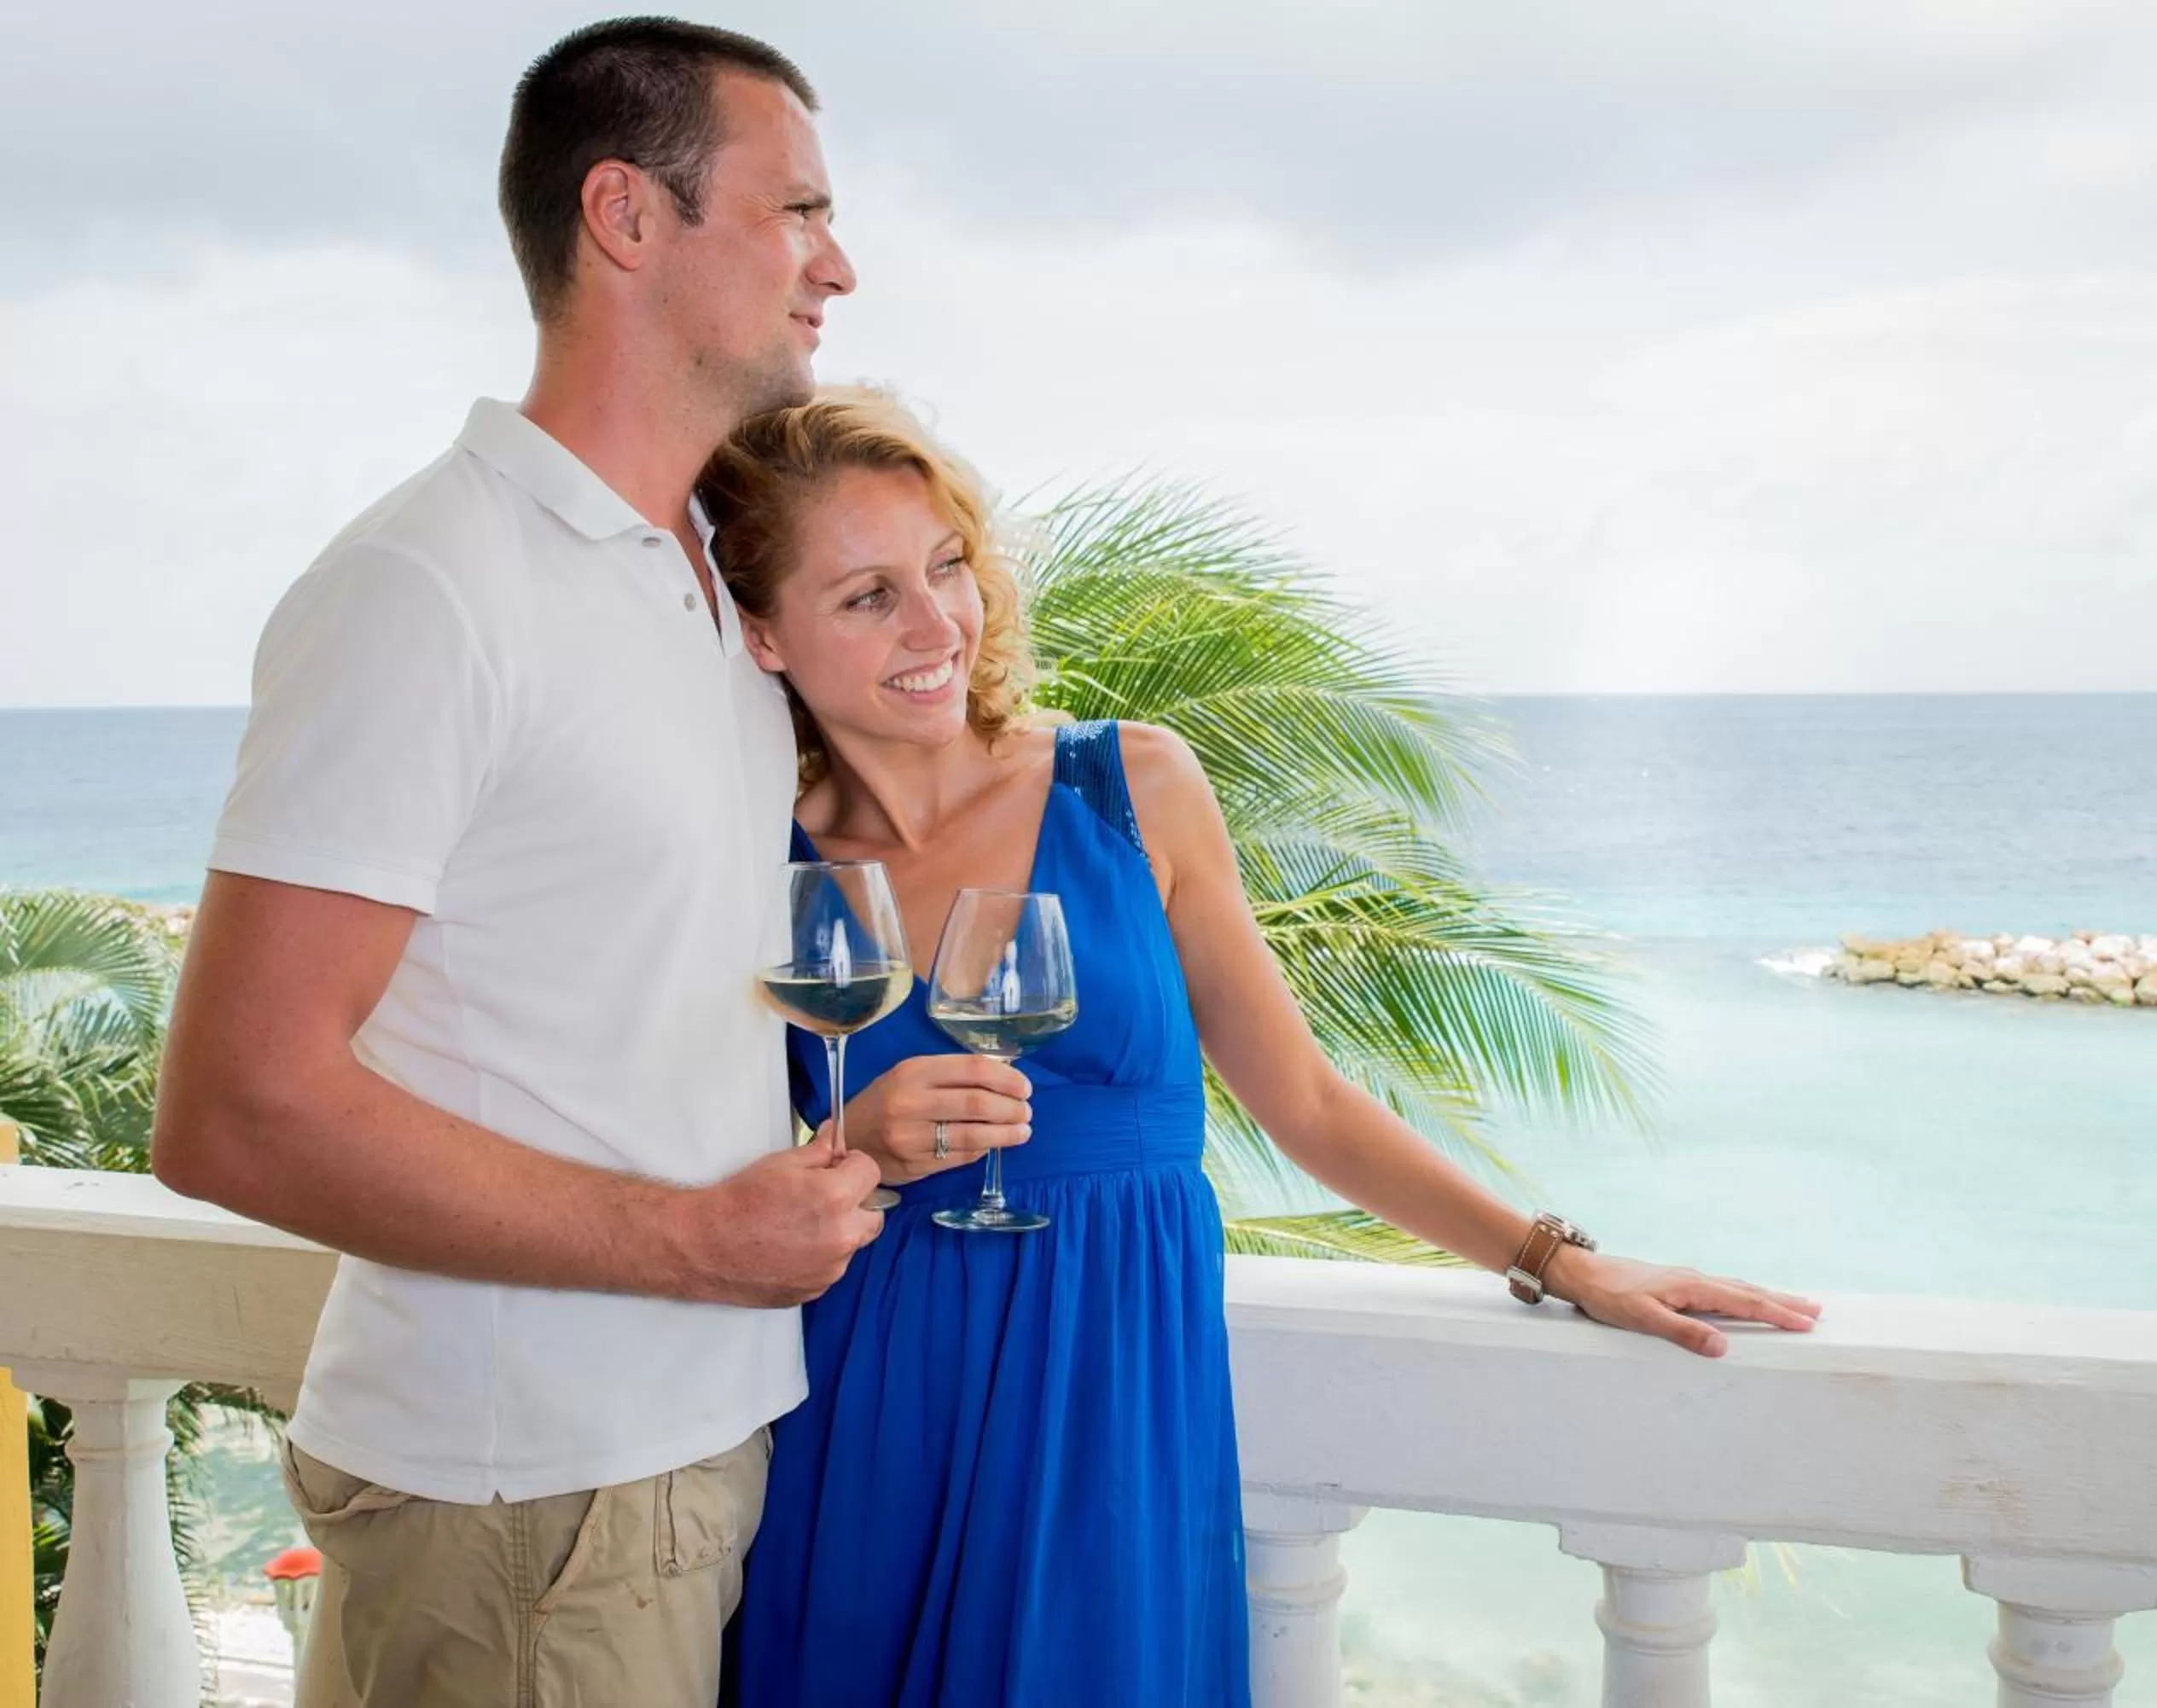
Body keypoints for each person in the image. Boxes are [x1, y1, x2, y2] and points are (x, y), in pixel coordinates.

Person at [702, 390, 1823, 1705]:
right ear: (766, 635)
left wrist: (1557, 1256)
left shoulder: (1129, 785)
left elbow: (1301, 1097)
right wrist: (854, 1147)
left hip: (1111, 1392)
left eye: (947, 564)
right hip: (874, 1396)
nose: (937, 622)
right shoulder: (759, 858)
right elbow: (715, 1166)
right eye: (867, 595)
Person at [148, 20, 929, 1706]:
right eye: (797, 209)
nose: (838, 263)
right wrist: (695, 1240)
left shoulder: (703, 587)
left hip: (670, 1459)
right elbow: (232, 1103)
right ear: (628, 219)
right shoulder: (432, 589)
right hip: (525, 1496)